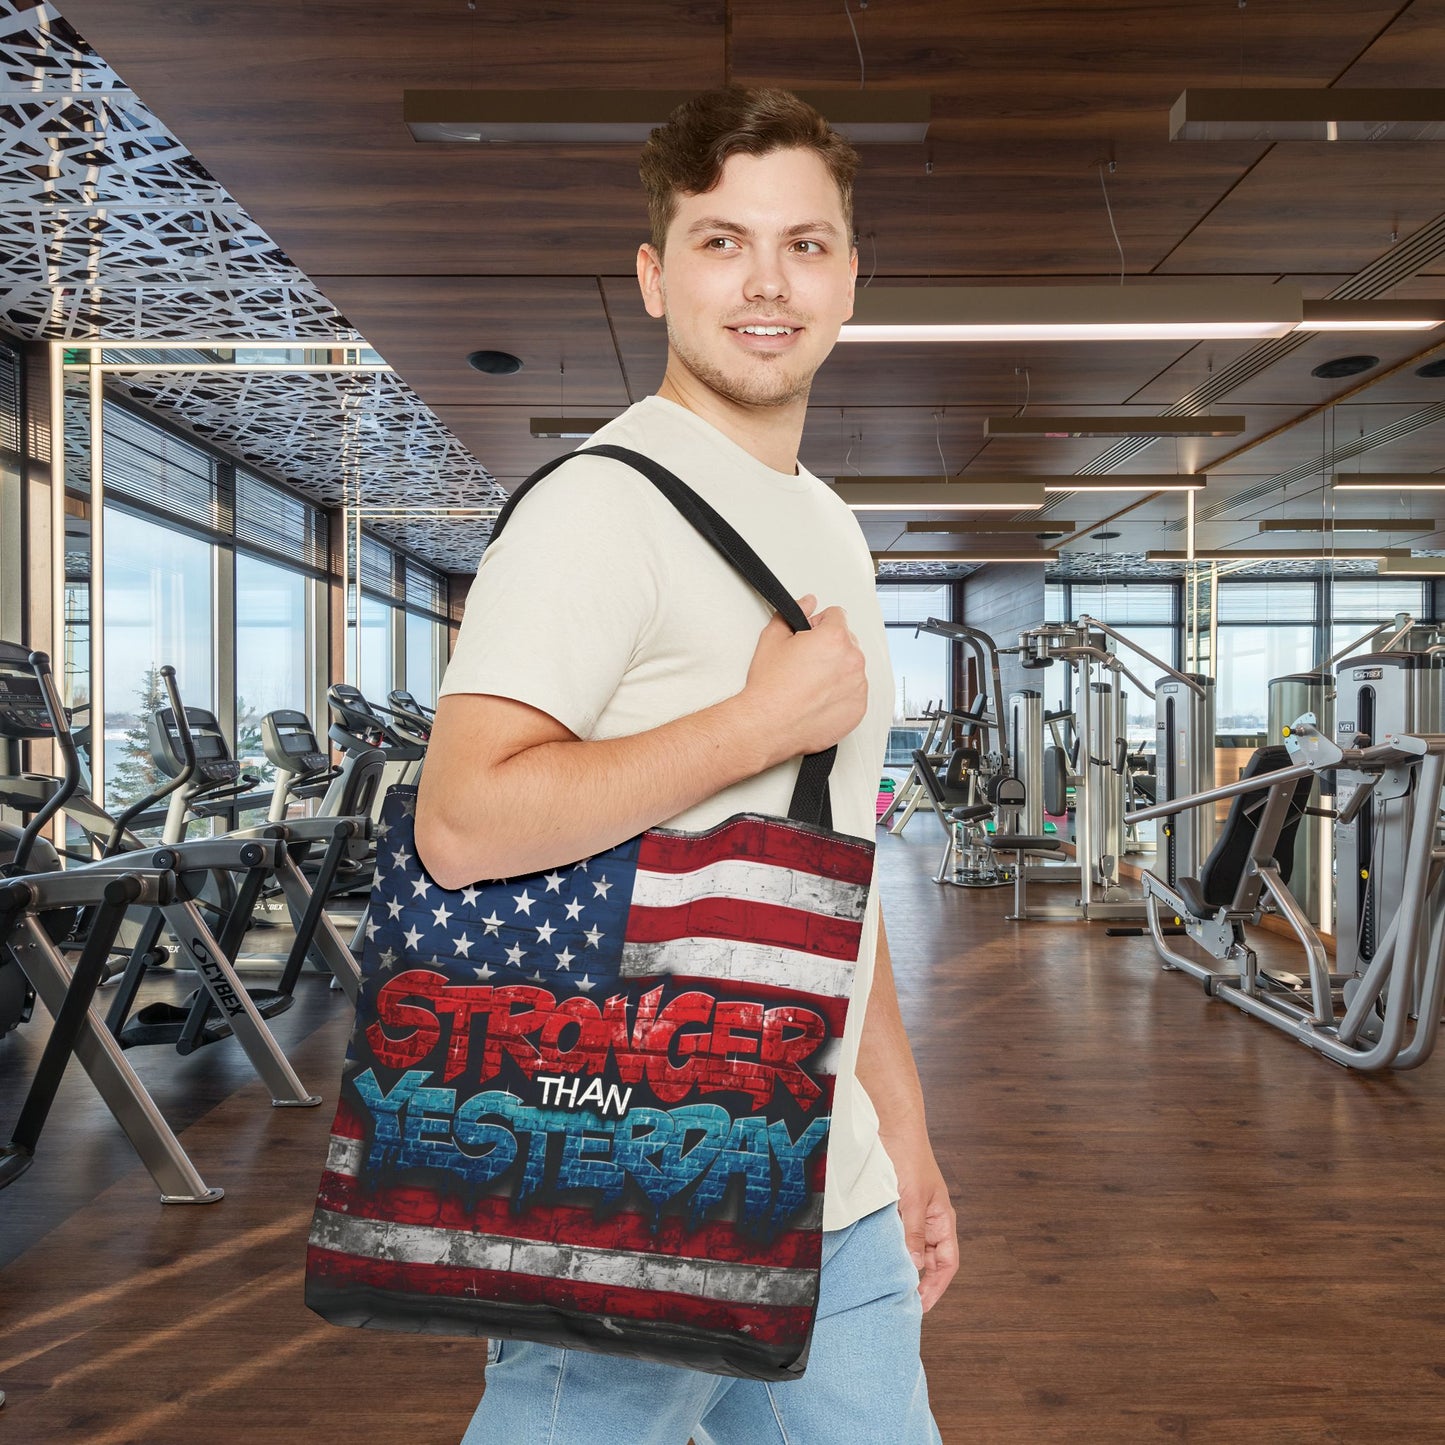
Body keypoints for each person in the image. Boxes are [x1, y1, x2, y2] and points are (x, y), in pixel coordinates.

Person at [416, 85, 957, 1445]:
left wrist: (902, 1135)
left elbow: (828, 861)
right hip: (641, 1179)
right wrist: (751, 725)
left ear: (847, 278)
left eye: (803, 243)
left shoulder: (826, 523)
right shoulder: (598, 507)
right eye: (721, 242)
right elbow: (463, 822)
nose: (766, 281)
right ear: (656, 277)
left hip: (830, 1194)